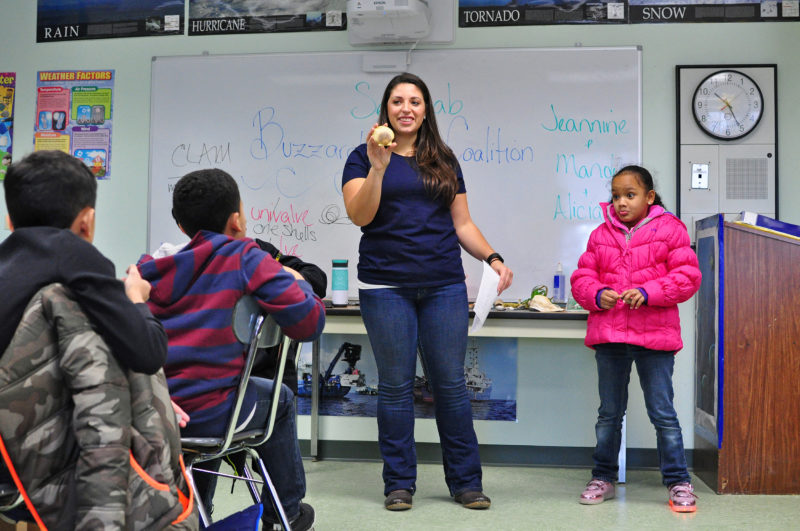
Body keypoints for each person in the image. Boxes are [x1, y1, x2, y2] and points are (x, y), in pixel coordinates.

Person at [341, 72, 513, 511]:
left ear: (425, 110)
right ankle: (399, 485)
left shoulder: (444, 159)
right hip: (385, 285)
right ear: (386, 110)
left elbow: (462, 224)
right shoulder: (362, 158)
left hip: (442, 285)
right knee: (396, 387)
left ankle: (466, 484)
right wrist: (379, 168)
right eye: (397, 101)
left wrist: (492, 258)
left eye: (414, 102)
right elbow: (360, 215)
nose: (406, 109)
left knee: (451, 385)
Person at [138, 168, 325, 531]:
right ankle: (286, 512)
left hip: (158, 412)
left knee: (207, 405)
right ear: (236, 219)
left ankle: (196, 511)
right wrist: (293, 280)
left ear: (180, 227)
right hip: (216, 414)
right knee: (281, 399)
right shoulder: (244, 257)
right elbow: (309, 323)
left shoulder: (148, 269)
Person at [570, 165, 702, 513]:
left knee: (662, 413)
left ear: (649, 197)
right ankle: (603, 477)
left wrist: (649, 291)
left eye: (629, 195)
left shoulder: (671, 230)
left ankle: (678, 482)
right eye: (616, 196)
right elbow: (582, 278)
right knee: (609, 414)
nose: (621, 202)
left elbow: (688, 277)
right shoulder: (600, 235)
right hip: (610, 335)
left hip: (655, 337)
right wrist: (598, 294)